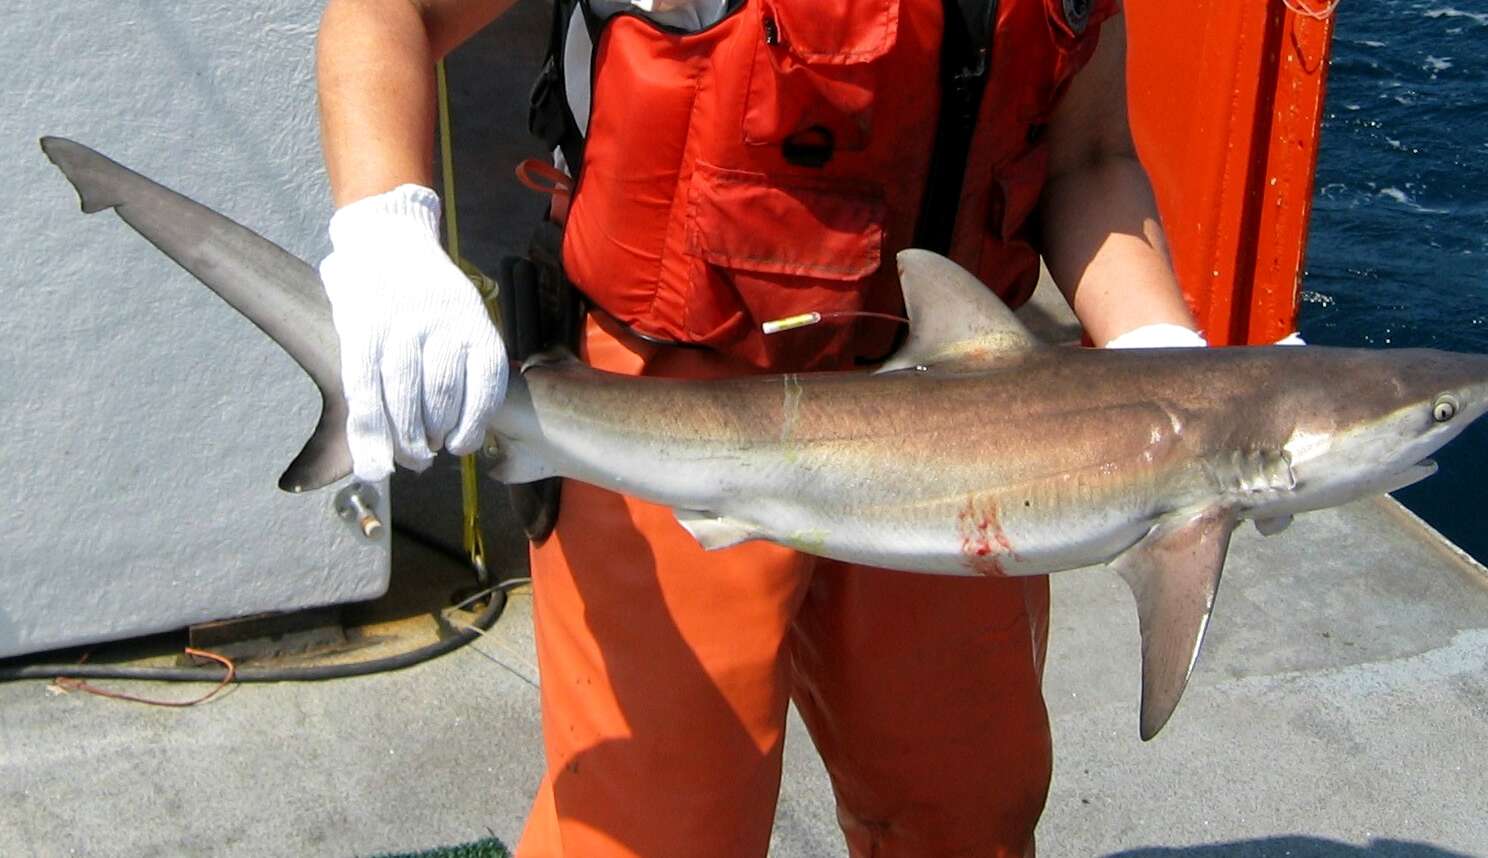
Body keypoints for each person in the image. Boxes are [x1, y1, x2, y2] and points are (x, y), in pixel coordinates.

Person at [315, 0, 1205, 854]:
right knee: (656, 829)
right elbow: (390, 10)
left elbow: (1088, 158)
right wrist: (387, 238)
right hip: (679, 407)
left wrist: (1171, 368)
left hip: (958, 416)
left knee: (968, 808)